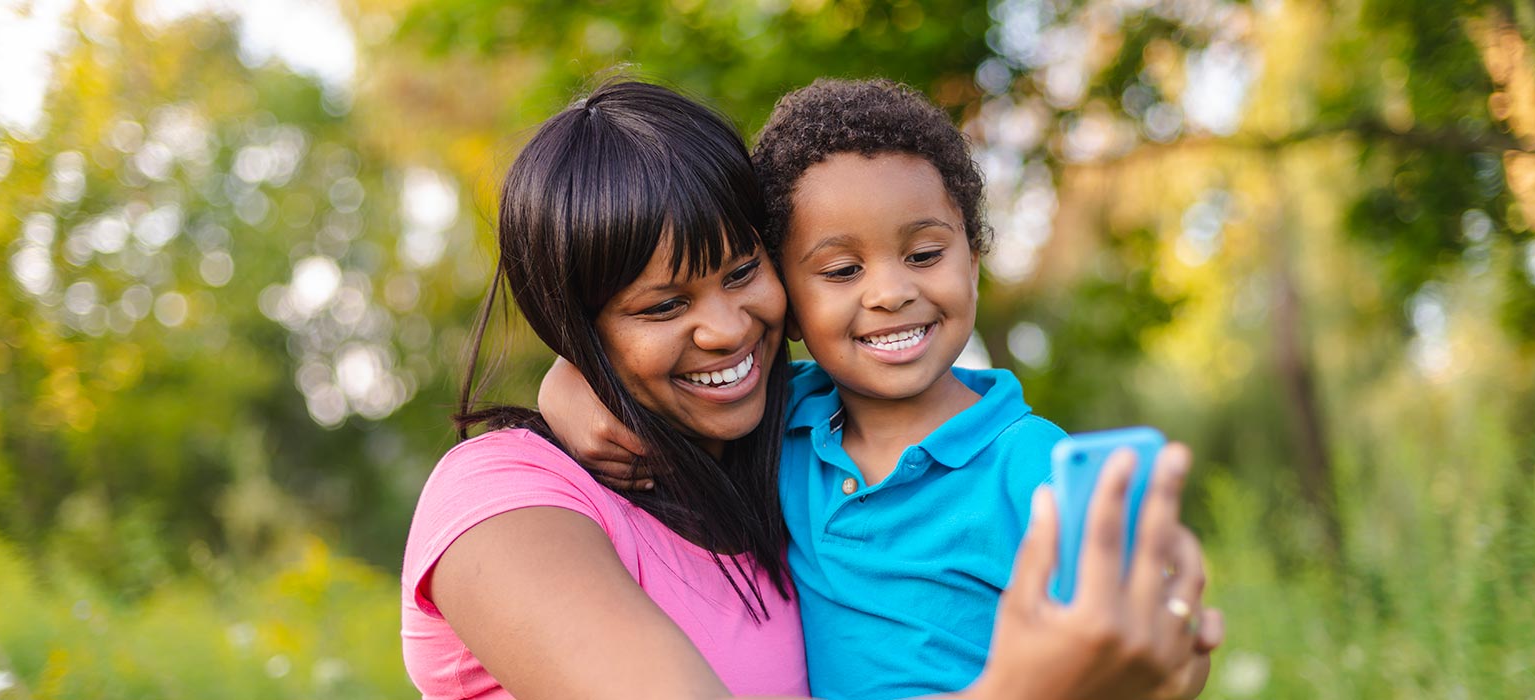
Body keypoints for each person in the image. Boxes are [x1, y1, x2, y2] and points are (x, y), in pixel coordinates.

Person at [404, 79, 1212, 700]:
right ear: (573, 324)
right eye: (662, 305)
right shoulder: (509, 499)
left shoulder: (768, 432)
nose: (726, 329)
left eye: (743, 272)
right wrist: (575, 378)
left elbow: (1147, 647)